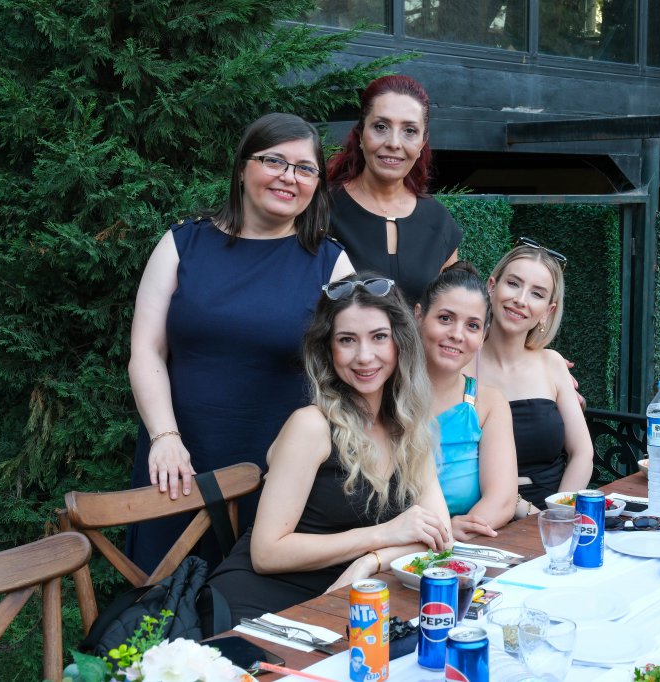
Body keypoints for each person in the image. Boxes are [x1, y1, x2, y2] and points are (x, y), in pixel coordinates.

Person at [126, 113, 354, 572]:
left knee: (257, 603)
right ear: (243, 167)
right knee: (159, 600)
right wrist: (164, 438)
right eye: (274, 161)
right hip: (178, 464)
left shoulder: (332, 265)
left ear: (316, 184)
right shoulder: (182, 244)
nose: (289, 177)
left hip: (279, 476)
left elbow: (355, 371)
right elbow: (146, 350)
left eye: (305, 168)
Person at [206, 274, 452, 621]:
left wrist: (371, 562)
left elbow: (440, 537)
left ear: (400, 343)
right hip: (261, 603)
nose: (364, 356)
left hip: (344, 600)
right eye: (347, 340)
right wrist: (382, 535)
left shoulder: (409, 428)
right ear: (328, 349)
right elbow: (266, 554)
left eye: (379, 337)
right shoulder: (311, 426)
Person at [472, 242, 594, 510]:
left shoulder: (552, 364)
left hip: (551, 510)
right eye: (513, 284)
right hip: (482, 512)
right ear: (492, 287)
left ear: (547, 311)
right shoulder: (460, 365)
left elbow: (582, 453)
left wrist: (559, 514)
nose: (521, 299)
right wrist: (521, 510)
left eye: (537, 294)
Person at [326, 75, 462, 304]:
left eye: (409, 130)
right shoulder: (322, 208)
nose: (394, 143)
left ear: (422, 142)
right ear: (360, 134)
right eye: (381, 127)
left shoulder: (438, 221)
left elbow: (447, 310)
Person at [415, 262, 519, 541]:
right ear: (419, 316)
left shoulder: (489, 403)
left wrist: (449, 536)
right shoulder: (386, 395)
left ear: (483, 336)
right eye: (445, 318)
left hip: (461, 546)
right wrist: (443, 533)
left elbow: (502, 500)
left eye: (472, 326)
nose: (457, 334)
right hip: (389, 546)